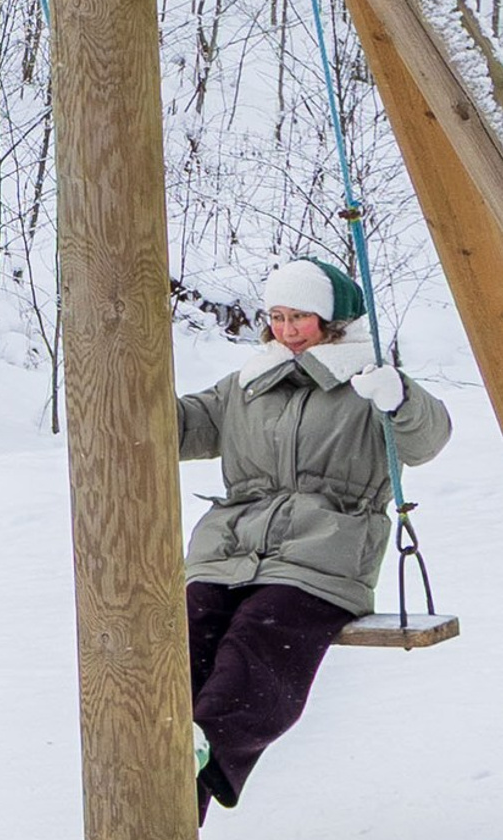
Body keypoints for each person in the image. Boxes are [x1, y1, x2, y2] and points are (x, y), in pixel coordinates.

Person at [175, 254, 450, 821]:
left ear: (333, 321)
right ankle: (170, 776)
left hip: (324, 553)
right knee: (188, 625)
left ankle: (203, 745)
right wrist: (127, 387)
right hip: (231, 549)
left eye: (300, 316)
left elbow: (426, 440)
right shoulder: (247, 384)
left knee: (261, 633)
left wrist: (400, 399)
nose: (287, 329)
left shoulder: (368, 381)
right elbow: (180, 427)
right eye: (276, 315)